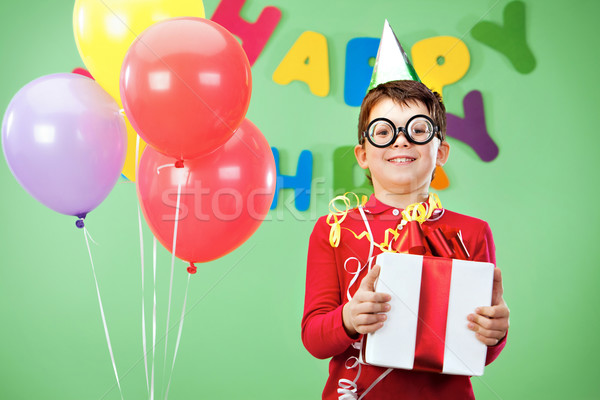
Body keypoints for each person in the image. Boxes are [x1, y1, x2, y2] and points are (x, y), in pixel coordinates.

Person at [301, 21, 508, 400]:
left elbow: (480, 351)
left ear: (440, 152)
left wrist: (494, 333)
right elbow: (315, 338)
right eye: (383, 131)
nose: (400, 139)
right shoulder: (334, 229)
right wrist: (348, 318)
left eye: (417, 129)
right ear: (363, 155)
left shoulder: (473, 233)